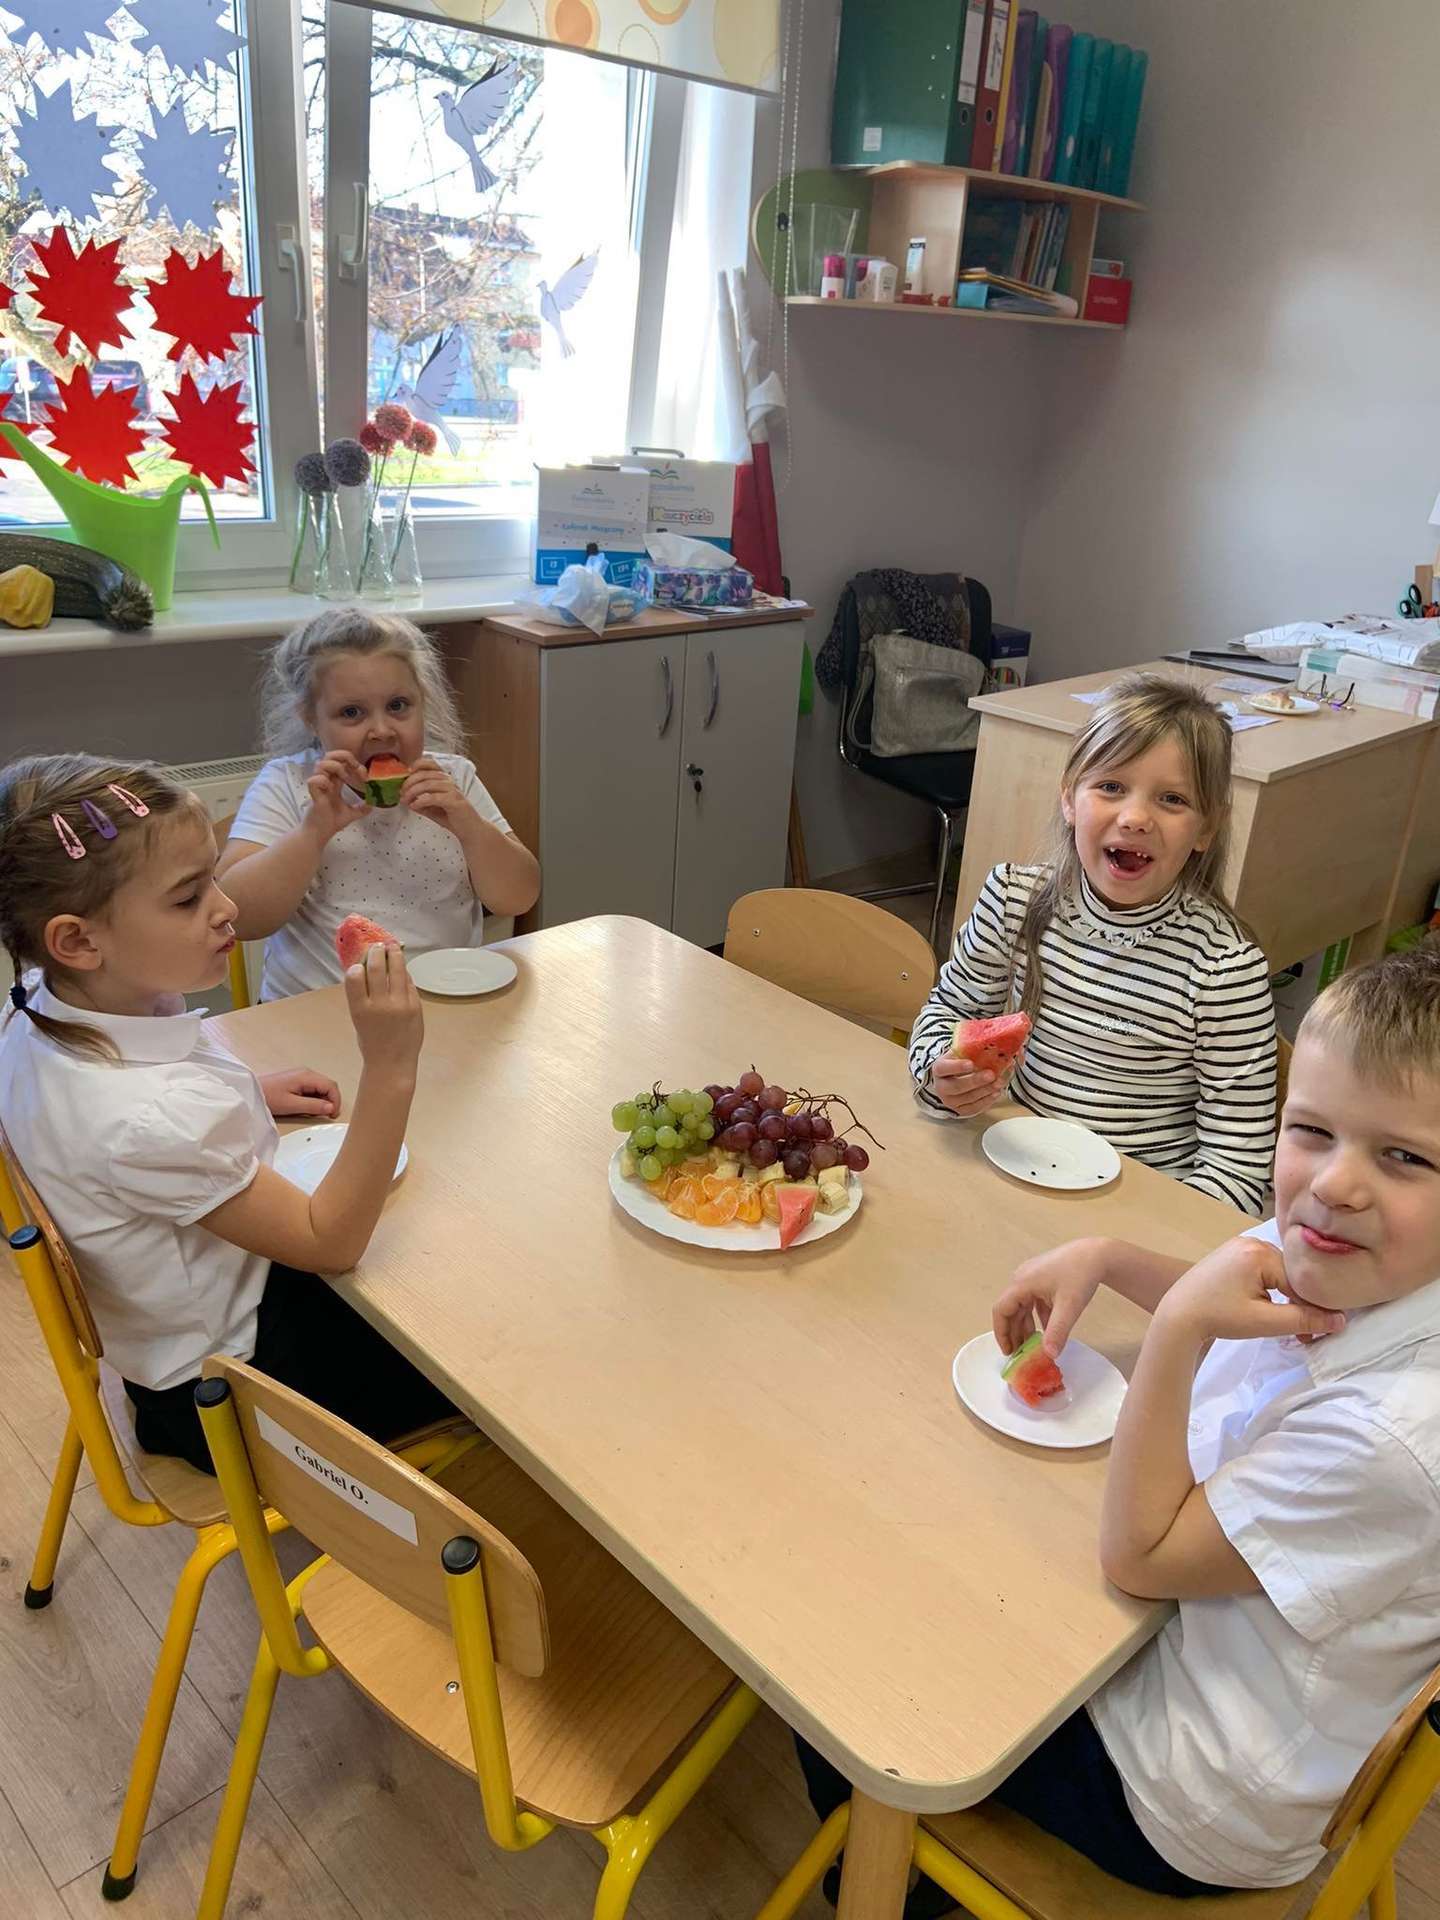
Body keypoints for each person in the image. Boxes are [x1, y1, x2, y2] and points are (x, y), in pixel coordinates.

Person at [803, 944, 1440, 1913]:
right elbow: (1250, 1286)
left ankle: (897, 1881)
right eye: (1311, 1130)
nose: (1334, 1185)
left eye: (1406, 1158)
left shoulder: (1394, 1439)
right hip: (1188, 1649)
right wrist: (1108, 1256)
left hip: (1181, 1780)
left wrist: (1178, 1327)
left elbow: (1139, 1559)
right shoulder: (1365, 1251)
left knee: (837, 1647)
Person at [0, 754, 458, 1473]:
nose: (226, 908)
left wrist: (248, 1092)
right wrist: (391, 1067)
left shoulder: (36, 1005)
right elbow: (329, 1242)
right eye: (188, 898)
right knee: (469, 1343)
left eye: (212, 878)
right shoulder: (152, 1119)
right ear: (79, 941)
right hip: (232, 1395)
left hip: (177, 1340)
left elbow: (135, 1124)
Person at [909, 673, 1276, 1215]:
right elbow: (949, 1012)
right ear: (1069, 798)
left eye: (1172, 799)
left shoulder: (1225, 970)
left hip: (1140, 1214)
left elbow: (1238, 1166)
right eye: (1111, 787)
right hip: (1015, 1167)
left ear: (1207, 828)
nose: (1135, 818)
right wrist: (939, 1076)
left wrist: (1150, 1243)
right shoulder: (1012, 899)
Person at [219, 606, 540, 1000]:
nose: (382, 730)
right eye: (351, 713)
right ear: (310, 718)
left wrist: (470, 827)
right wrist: (312, 833)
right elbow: (238, 915)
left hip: (442, 999)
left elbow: (519, 897)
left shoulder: (453, 779)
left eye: (398, 706)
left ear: (422, 702)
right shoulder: (287, 784)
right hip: (316, 1007)